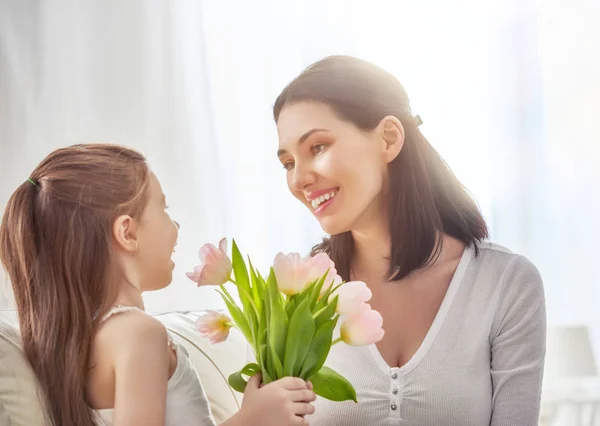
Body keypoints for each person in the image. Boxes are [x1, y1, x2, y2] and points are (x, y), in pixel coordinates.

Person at [273, 55, 546, 426]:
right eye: (288, 163)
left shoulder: (506, 284)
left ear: (389, 138)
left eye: (317, 148)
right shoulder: (300, 291)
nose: (299, 179)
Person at [0, 143, 315, 426]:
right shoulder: (140, 333)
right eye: (163, 208)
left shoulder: (78, 339)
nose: (175, 225)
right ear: (128, 233)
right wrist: (251, 420)